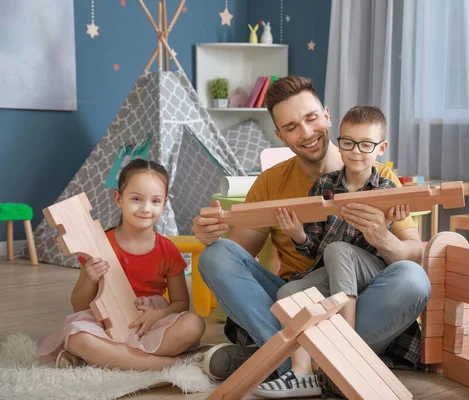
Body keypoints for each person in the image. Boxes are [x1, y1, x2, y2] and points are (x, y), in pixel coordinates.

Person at [194, 76, 431, 393]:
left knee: (413, 278)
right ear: (280, 136)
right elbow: (236, 257)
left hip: (359, 302)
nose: (306, 133)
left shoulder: (380, 177)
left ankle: (276, 363)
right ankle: (319, 369)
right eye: (291, 127)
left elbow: (415, 252)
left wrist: (383, 239)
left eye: (311, 118)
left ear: (327, 115)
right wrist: (211, 236)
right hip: (293, 300)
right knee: (216, 256)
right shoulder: (270, 183)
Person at [252, 105, 411, 398]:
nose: (355, 151)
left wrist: (389, 224)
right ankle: (303, 372)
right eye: (348, 143)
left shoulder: (386, 186)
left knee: (340, 249)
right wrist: (297, 234)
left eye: (366, 145)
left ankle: (345, 344)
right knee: (289, 294)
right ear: (339, 142)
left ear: (381, 147)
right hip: (334, 271)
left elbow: (398, 248)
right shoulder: (325, 185)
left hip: (371, 271)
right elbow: (315, 250)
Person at [39, 159, 206, 371]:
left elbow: (181, 302)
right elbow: (79, 305)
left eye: (155, 201)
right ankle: (169, 363)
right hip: (104, 321)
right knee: (77, 336)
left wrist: (158, 315)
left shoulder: (168, 250)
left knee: (193, 324)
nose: (146, 209)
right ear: (118, 199)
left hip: (151, 323)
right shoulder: (98, 245)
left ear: (164, 204)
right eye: (136, 198)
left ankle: (106, 358)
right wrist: (91, 278)